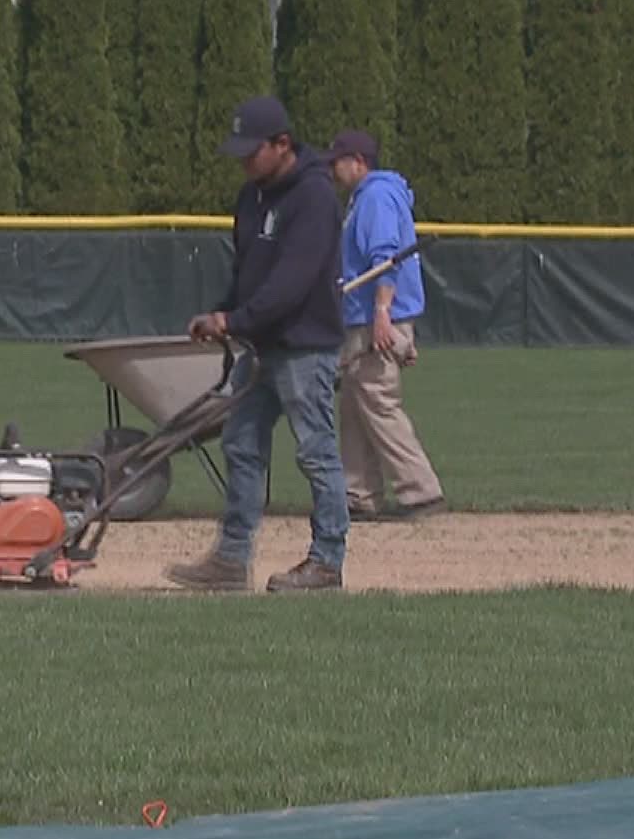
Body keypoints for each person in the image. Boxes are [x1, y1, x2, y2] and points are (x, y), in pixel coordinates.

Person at [164, 95, 349, 592]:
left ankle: (327, 561)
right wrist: (221, 313)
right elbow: (248, 273)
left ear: (282, 144)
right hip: (261, 346)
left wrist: (235, 319)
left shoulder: (313, 198)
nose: (244, 161)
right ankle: (231, 559)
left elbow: (292, 283)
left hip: (305, 347)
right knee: (240, 443)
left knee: (316, 452)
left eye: (252, 151)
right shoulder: (252, 197)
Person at [325, 129, 445, 521]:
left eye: (337, 161)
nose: (332, 169)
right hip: (367, 317)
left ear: (358, 161)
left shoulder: (375, 196)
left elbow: (385, 258)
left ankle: (421, 493)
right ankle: (358, 495)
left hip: (373, 317)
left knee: (378, 402)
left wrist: (382, 315)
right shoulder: (368, 197)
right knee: (355, 407)